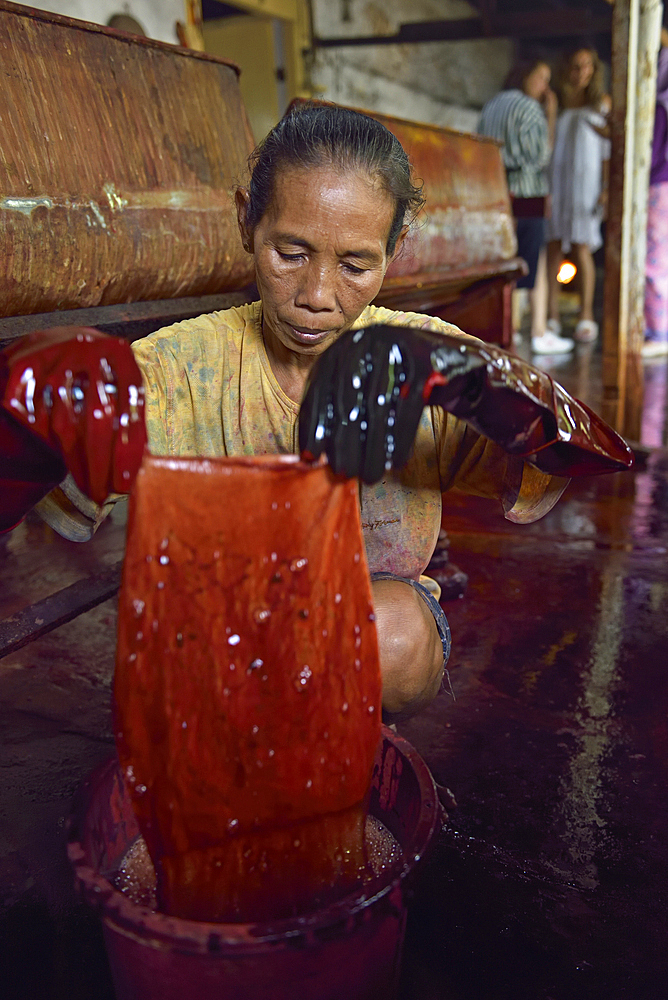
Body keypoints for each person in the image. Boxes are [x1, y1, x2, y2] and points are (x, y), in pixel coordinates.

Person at [0, 104, 632, 721]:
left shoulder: (426, 353)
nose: (317, 297)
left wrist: (480, 386)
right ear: (247, 220)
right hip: (216, 623)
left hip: (369, 611)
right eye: (290, 254)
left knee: (397, 642)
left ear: (396, 247)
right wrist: (30, 430)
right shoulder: (173, 369)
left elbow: (581, 456)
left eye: (356, 265)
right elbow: (46, 504)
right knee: (172, 690)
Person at [479, 59, 573, 355]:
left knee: (505, 258)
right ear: (524, 74)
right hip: (528, 191)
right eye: (541, 77)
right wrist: (552, 115)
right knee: (535, 260)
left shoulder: (491, 105)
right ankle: (539, 332)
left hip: (495, 189)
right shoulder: (530, 108)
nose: (545, 87)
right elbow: (541, 155)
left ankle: (511, 328)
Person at [546, 46, 610, 345]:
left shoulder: (601, 105)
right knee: (555, 246)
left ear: (594, 70)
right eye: (575, 65)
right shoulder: (557, 104)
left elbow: (608, 153)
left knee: (583, 247)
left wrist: (607, 189)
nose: (581, 72)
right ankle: (551, 316)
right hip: (559, 182)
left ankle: (586, 316)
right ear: (567, 69)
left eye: (587, 66)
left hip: (587, 184)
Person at [643, 26, 668, 358]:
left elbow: (648, 155)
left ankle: (658, 331)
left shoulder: (661, 108)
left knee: (653, 258)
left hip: (658, 185)